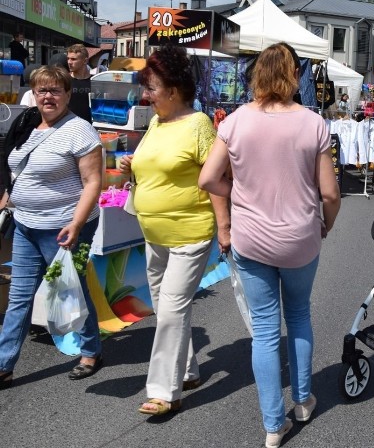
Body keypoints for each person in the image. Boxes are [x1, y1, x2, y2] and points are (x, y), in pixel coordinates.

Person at [199, 42, 341, 448]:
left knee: (264, 331)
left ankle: (273, 425)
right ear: (294, 74)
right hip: (300, 237)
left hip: (252, 239)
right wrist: (326, 225)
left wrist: (239, 191)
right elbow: (329, 194)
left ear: (257, 74)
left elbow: (208, 179)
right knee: (298, 315)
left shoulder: (236, 121)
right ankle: (302, 400)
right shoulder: (312, 123)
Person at [117, 44, 230, 417]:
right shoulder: (156, 123)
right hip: (154, 234)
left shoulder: (198, 125)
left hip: (190, 233)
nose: (146, 96)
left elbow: (218, 179)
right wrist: (133, 165)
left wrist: (225, 228)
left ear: (174, 90)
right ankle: (187, 370)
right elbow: (160, 166)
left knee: (170, 311)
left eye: (151, 88)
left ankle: (165, 391)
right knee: (168, 309)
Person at [0, 66, 104, 387]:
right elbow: (16, 169)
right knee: (19, 298)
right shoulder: (27, 124)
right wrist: (7, 197)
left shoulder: (80, 130)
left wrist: (75, 224)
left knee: (70, 290)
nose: (48, 96)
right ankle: (4, 365)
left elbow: (92, 183)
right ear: (34, 93)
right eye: (42, 90)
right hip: (25, 226)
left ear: (68, 94)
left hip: (68, 231)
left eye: (56, 90)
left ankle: (91, 351)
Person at [66, 44, 93, 123]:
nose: (69, 62)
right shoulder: (65, 80)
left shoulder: (95, 81)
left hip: (90, 127)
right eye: (68, 58)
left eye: (73, 59)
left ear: (85, 61)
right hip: (69, 126)